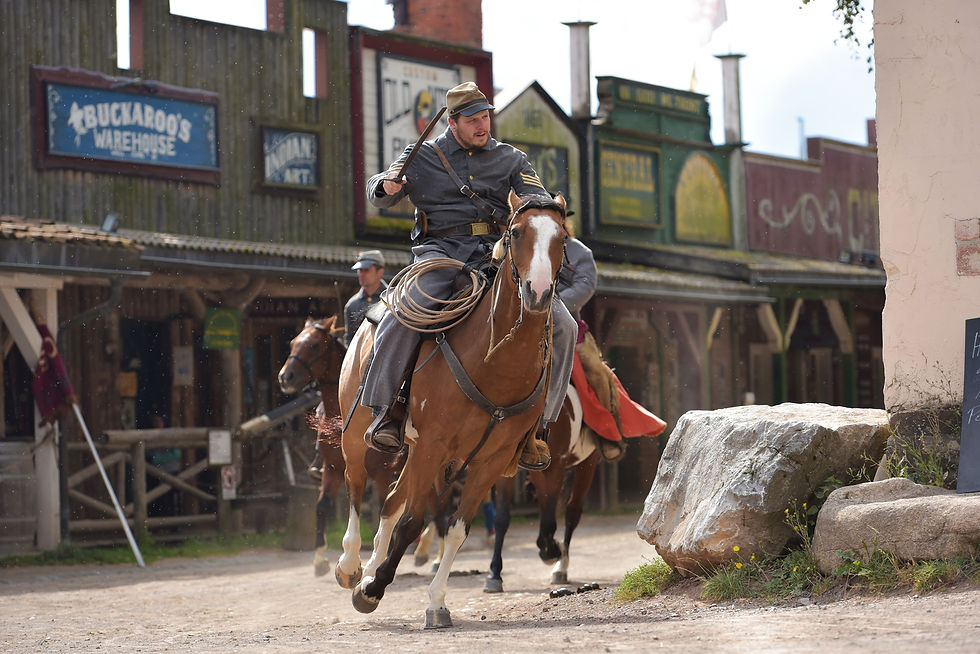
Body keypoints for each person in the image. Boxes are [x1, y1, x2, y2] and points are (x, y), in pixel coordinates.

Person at [362, 80, 577, 470]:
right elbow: (380, 189)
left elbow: (535, 196)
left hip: (494, 258)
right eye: (474, 119)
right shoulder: (422, 155)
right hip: (440, 255)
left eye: (487, 118)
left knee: (564, 325)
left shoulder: (511, 159)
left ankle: (538, 426)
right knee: (402, 315)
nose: (484, 126)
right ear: (454, 122)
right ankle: (387, 411)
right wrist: (387, 185)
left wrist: (544, 208)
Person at [557, 219, 667, 461]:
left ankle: (607, 433)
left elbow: (585, 285)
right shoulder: (529, 246)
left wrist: (553, 304)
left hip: (570, 327)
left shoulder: (579, 252)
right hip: (527, 325)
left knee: (597, 373)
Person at [344, 249, 386, 347]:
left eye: (366, 270)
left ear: (380, 272)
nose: (361, 274)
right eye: (360, 270)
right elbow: (349, 340)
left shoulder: (392, 300)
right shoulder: (351, 305)